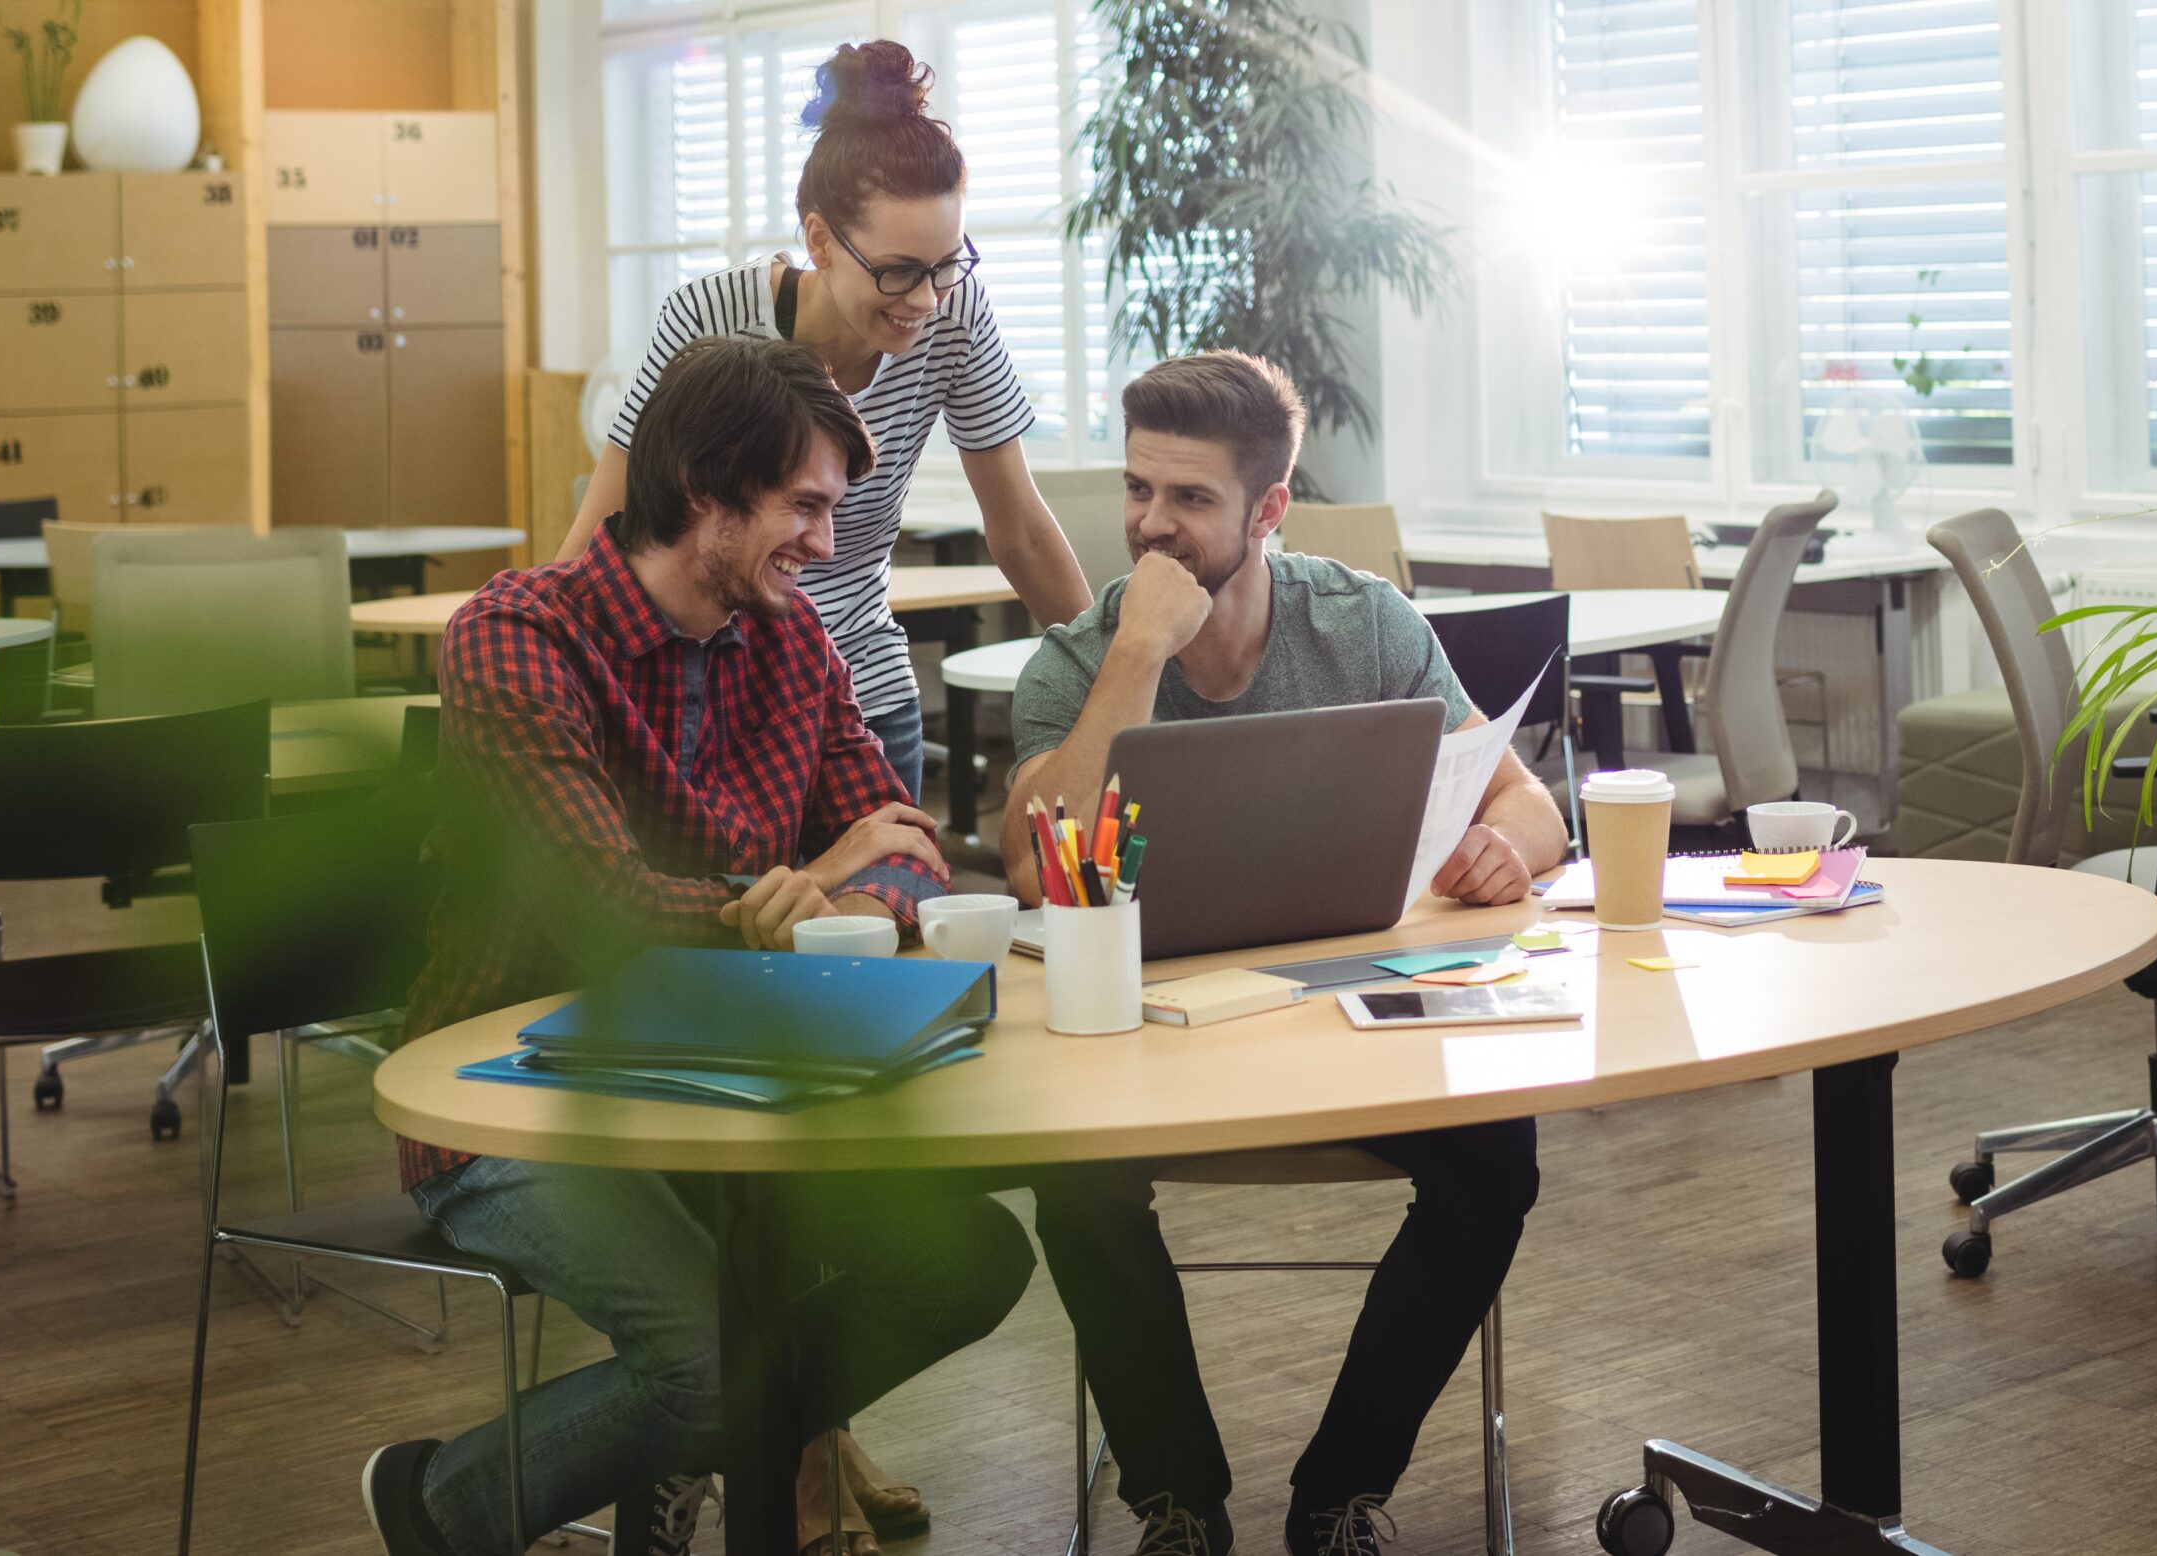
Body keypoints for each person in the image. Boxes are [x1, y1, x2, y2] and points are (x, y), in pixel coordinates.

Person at [367, 334, 1035, 1556]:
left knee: (972, 1257)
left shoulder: (793, 643)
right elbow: (600, 913)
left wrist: (837, 882)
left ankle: (678, 1457)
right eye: (805, 508)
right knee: (705, 1369)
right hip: (510, 1093)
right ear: (706, 491)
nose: (829, 545)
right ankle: (442, 1503)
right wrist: (805, 882)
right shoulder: (519, 635)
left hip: (737, 1078)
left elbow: (900, 850)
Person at [1000, 352, 1562, 1554]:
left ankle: (1339, 1489)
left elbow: (1530, 803)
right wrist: (1137, 657)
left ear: (1268, 510)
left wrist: (1505, 849)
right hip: (1144, 1052)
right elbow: (1033, 861)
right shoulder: (1082, 658)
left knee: (1493, 1162)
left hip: (1344, 1033)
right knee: (1077, 1178)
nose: (1150, 525)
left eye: (1189, 500)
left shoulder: (1362, 625)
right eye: (1137, 488)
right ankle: (1175, 1496)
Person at [561, 38, 1092, 801]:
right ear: (819, 241)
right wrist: (542, 663)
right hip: (705, 698)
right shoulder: (711, 316)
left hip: (861, 692)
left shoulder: (955, 313)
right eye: (898, 272)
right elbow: (607, 527)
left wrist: (1108, 678)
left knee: (888, 904)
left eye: (947, 265)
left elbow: (1021, 528)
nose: (925, 300)